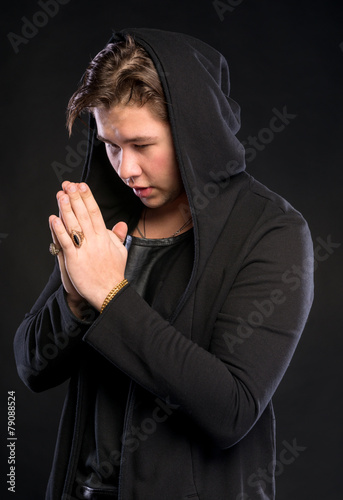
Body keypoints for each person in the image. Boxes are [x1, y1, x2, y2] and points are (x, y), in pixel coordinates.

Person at [14, 28, 314, 500]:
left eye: (141, 144)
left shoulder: (271, 232)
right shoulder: (106, 216)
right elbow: (32, 368)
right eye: (110, 145)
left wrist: (111, 296)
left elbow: (230, 411)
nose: (125, 168)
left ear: (194, 132)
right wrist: (74, 299)